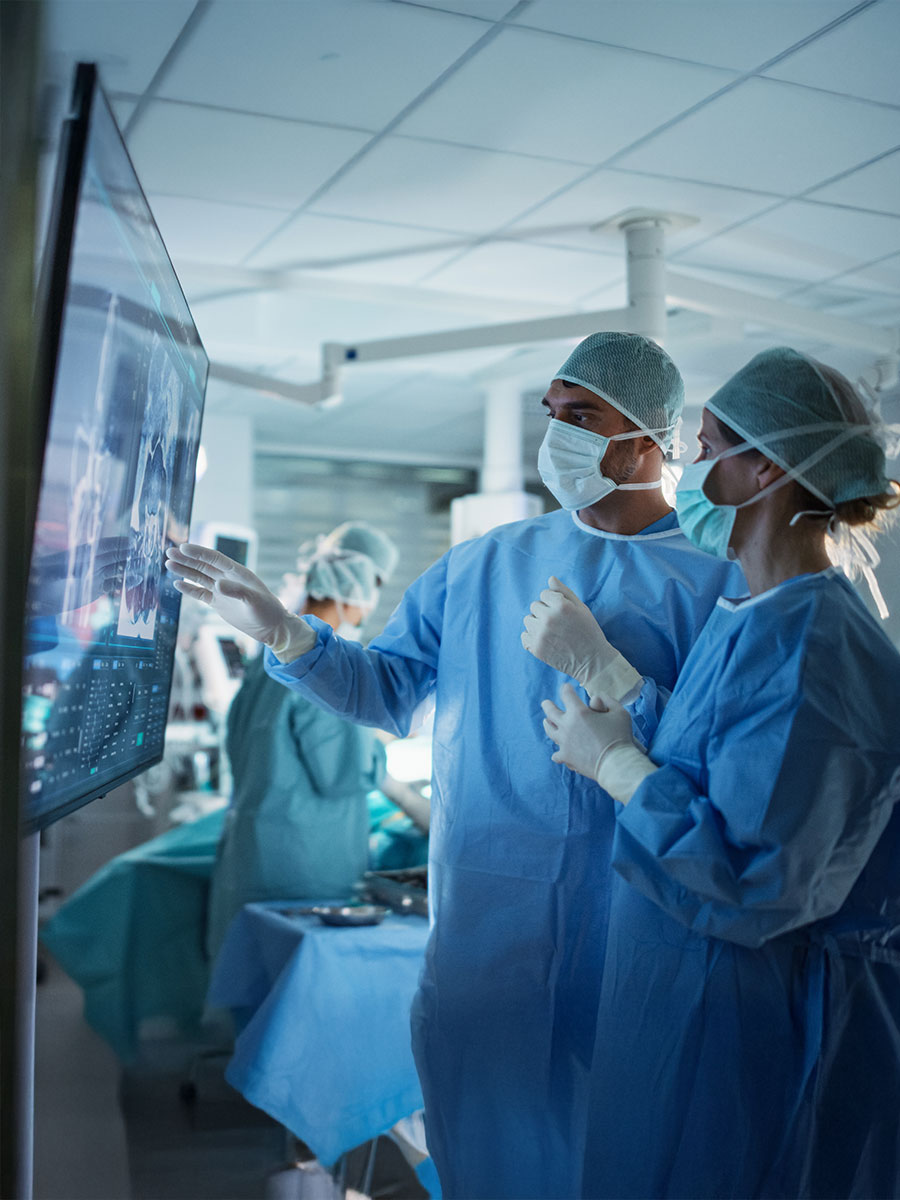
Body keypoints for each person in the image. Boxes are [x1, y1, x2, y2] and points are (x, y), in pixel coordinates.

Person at [166, 332, 743, 1200]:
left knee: (628, 1161)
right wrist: (286, 632)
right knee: (485, 1159)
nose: (561, 436)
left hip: (636, 930)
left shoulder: (715, 582)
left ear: (649, 437)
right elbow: (387, 689)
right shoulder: (483, 564)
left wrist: (618, 680)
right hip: (486, 930)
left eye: (583, 416)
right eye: (553, 415)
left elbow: (725, 764)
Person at [537, 346, 900, 1199]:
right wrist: (621, 697)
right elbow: (721, 760)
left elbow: (760, 878)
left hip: (757, 1027)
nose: (690, 465)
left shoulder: (819, 644)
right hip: (685, 996)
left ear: (765, 467)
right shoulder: (753, 615)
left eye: (706, 446)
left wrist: (621, 767)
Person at [205, 522, 399, 959]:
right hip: (304, 867)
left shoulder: (271, 652)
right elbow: (342, 775)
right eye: (376, 583)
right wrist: (378, 742)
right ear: (356, 580)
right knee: (292, 1001)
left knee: (252, 996)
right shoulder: (325, 665)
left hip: (255, 854)